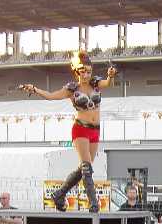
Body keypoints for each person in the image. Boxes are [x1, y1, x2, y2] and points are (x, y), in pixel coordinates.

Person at [20, 50, 117, 213]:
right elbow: (51, 96)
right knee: (86, 168)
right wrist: (35, 89)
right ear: (77, 71)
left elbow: (108, 84)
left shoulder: (95, 83)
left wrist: (111, 76)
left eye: (88, 71)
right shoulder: (72, 89)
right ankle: (93, 203)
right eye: (83, 71)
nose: (86, 74)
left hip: (95, 130)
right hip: (80, 129)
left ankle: (59, 194)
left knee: (84, 169)